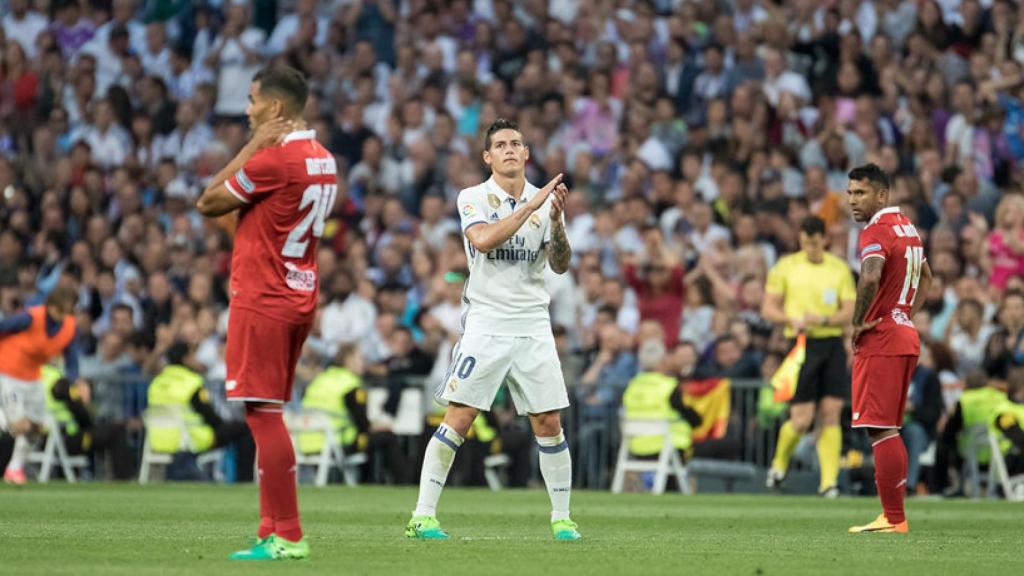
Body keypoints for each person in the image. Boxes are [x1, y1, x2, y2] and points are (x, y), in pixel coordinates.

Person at [405, 118, 579, 541]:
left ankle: (562, 518)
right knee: (460, 416)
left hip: (533, 322)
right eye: (500, 144)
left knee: (548, 422)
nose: (508, 150)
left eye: (516, 143)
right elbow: (482, 241)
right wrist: (530, 208)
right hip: (487, 321)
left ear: (526, 154)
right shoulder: (474, 197)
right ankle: (422, 515)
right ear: (487, 156)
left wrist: (555, 221)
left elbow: (559, 264)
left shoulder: (543, 205)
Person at [196, 65, 336, 560]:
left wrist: (252, 146)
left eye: (254, 100)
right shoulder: (323, 159)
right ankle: (268, 527)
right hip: (299, 293)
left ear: (274, 108)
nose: (249, 108)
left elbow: (209, 200)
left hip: (264, 298)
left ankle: (290, 535)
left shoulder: (274, 161)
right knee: (266, 410)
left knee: (263, 416)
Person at [846, 163, 933, 534]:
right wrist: (904, 314)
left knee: (879, 429)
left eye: (860, 193)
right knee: (889, 428)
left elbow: (870, 275)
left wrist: (858, 320)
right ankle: (892, 516)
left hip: (882, 338)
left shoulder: (876, 231)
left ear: (882, 194)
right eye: (850, 193)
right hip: (903, 334)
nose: (852, 200)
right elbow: (926, 277)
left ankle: (893, 518)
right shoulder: (908, 228)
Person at [761, 215, 856, 498]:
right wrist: (792, 318)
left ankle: (829, 483)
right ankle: (779, 464)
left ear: (824, 239)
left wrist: (826, 320)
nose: (812, 247)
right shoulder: (786, 267)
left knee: (830, 414)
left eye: (816, 242)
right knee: (801, 419)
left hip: (830, 344)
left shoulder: (839, 269)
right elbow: (769, 308)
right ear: (800, 239)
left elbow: (849, 310)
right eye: (806, 242)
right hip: (800, 344)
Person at [0, 286, 79, 485]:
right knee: (20, 425)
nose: (63, 316)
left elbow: (72, 358)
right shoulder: (29, 318)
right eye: (60, 310)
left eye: (67, 311)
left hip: (33, 376)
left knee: (37, 427)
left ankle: (14, 469)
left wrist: (74, 380)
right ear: (50, 307)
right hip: (8, 372)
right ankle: (8, 424)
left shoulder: (69, 326)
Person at [147, 341, 254, 481]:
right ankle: (244, 480)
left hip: (159, 440)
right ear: (185, 358)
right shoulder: (191, 383)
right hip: (188, 440)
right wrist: (224, 424)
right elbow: (211, 418)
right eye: (193, 355)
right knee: (243, 429)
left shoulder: (156, 383)